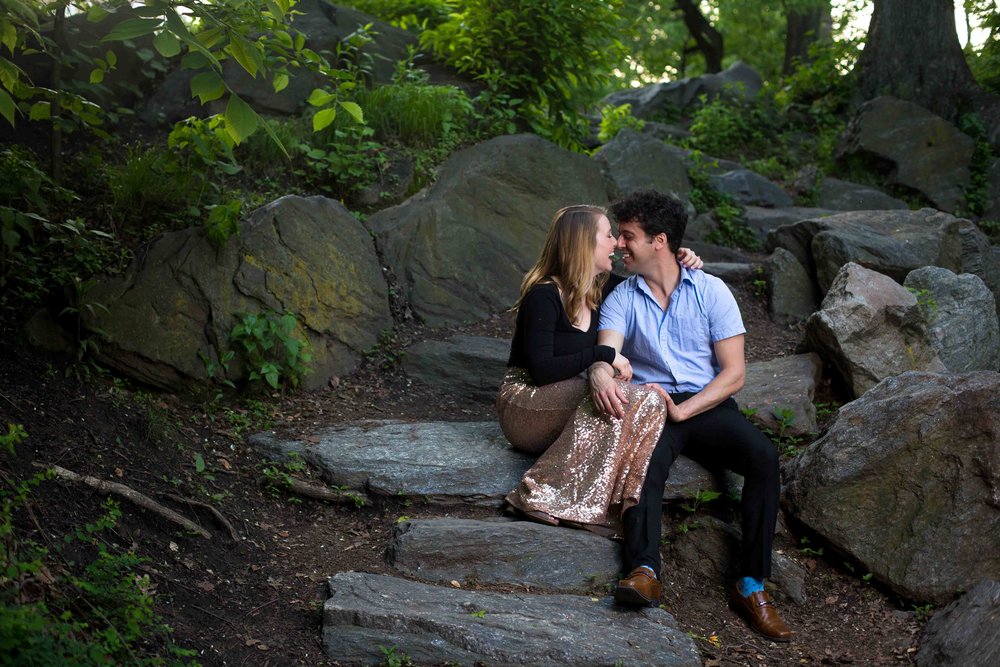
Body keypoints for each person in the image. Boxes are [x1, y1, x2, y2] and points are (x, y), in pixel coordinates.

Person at [590, 189, 792, 642]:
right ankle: (643, 570)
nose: (620, 245)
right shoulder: (622, 296)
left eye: (628, 236)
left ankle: (752, 584)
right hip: (651, 403)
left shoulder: (711, 290)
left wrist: (686, 408)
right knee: (647, 464)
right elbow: (609, 346)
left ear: (660, 241)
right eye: (619, 237)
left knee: (762, 456)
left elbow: (734, 373)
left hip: (706, 401)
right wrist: (602, 369)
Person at [497, 204, 701, 536]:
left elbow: (653, 276)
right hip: (524, 404)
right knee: (625, 396)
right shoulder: (544, 295)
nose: (618, 243)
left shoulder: (602, 288)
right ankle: (535, 493)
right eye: (608, 235)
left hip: (561, 403)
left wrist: (678, 258)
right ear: (584, 244)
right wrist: (603, 354)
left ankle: (606, 506)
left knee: (650, 401)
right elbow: (542, 371)